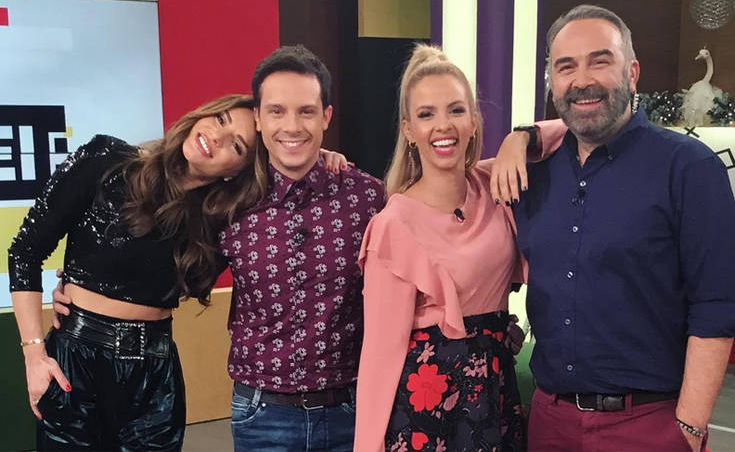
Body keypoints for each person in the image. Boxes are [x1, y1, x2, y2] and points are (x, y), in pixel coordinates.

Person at [10, 93, 348, 451]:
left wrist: (314, 157)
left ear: (237, 171)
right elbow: (25, 251)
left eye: (236, 145)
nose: (216, 137)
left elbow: (294, 208)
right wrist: (34, 355)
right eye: (220, 119)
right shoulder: (105, 160)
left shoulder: (222, 221)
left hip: (154, 379)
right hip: (75, 364)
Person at [494, 4, 735, 452]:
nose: (582, 80)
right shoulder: (533, 174)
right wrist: (520, 135)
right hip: (550, 422)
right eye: (566, 66)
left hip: (650, 423)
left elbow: (717, 304)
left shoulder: (688, 167)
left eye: (600, 61)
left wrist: (690, 427)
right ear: (552, 81)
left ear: (632, 73)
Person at [353, 44, 567, 452]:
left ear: (473, 120)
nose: (443, 126)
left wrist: (520, 137)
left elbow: (571, 129)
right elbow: (380, 354)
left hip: (495, 393)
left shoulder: (493, 184)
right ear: (408, 130)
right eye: (426, 114)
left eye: (455, 110)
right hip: (428, 407)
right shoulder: (393, 226)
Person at [217, 45, 385, 451]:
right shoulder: (228, 202)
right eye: (277, 111)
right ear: (258, 118)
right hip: (262, 415)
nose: (292, 126)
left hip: (352, 410)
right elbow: (172, 272)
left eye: (306, 111)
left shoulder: (368, 197)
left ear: (326, 116)